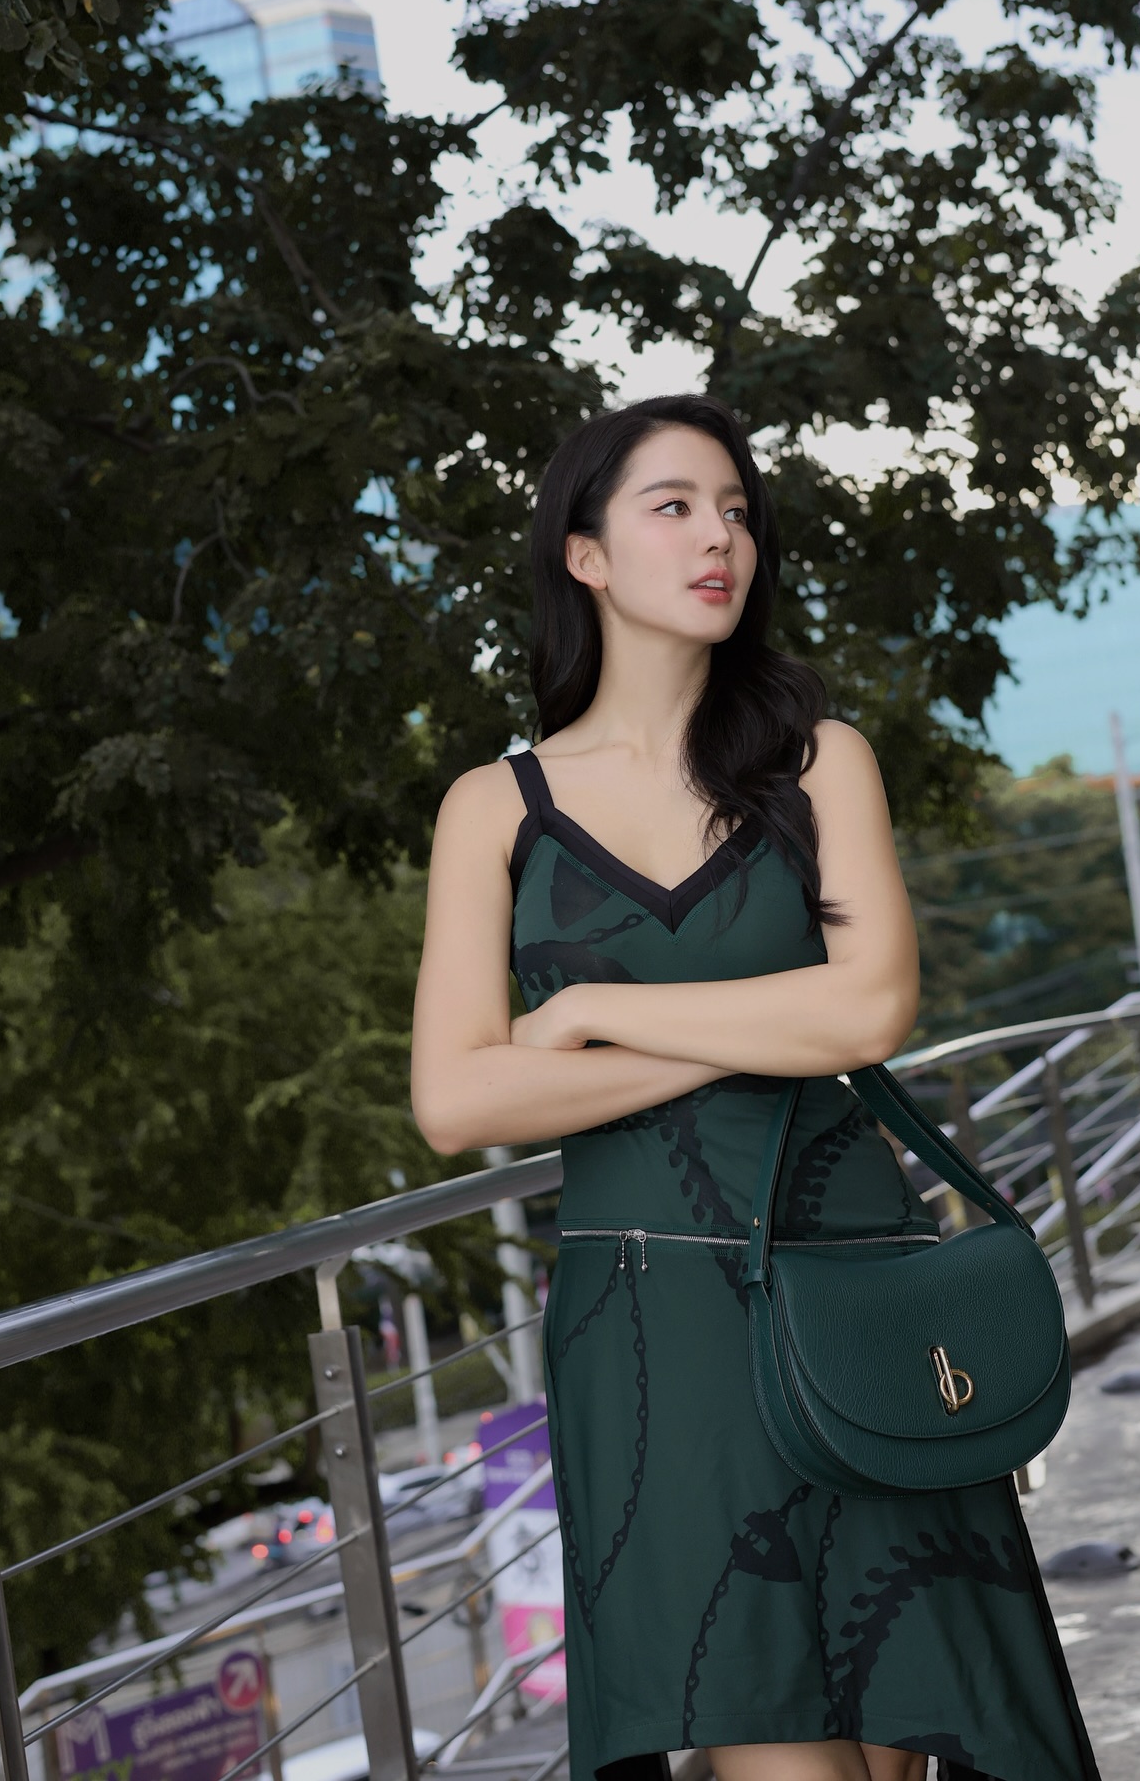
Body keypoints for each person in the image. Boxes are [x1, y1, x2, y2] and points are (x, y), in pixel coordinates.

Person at [409, 396, 1100, 1781]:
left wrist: (593, 1013)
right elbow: (458, 1102)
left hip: (855, 1288)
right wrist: (766, 1027)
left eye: (734, 510)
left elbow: (873, 1007)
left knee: (909, 1736)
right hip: (650, 1327)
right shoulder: (496, 807)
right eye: (672, 507)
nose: (717, 536)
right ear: (586, 556)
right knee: (762, 1739)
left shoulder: (819, 761)